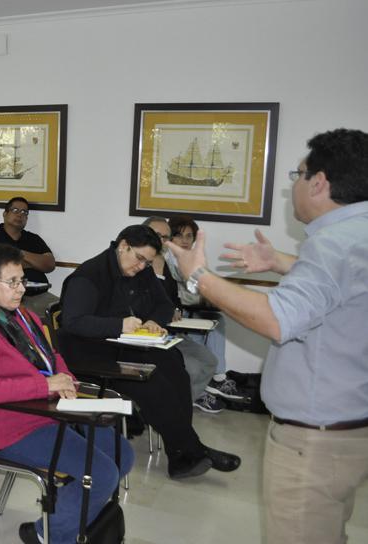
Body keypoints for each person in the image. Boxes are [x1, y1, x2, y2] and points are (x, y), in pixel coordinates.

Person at [166, 128, 368, 544]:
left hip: (312, 442)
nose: (293, 183)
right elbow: (344, 288)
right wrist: (281, 262)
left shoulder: (331, 244)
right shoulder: (357, 235)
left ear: (319, 181)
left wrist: (199, 277)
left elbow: (277, 319)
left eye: (298, 173)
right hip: (349, 427)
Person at [0, 244, 133, 544]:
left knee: (122, 454)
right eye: (12, 282)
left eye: (22, 280)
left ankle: (61, 515)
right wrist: (46, 386)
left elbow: (52, 356)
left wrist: (67, 381)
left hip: (47, 411)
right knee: (103, 475)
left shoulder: (25, 317)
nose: (21, 289)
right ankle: (48, 534)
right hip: (10, 426)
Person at [58, 224, 240, 479]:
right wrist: (119, 324)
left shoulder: (139, 269)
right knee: (153, 383)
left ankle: (181, 454)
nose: (142, 267)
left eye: (147, 262)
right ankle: (191, 451)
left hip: (119, 346)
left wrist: (154, 321)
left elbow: (164, 304)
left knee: (174, 365)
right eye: (139, 259)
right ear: (123, 246)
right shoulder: (89, 275)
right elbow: (73, 322)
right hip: (88, 357)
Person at [140, 217, 225, 413]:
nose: (161, 241)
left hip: (168, 331)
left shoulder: (164, 263)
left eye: (165, 237)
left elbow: (172, 297)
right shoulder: (138, 265)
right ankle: (171, 412)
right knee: (193, 368)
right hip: (146, 335)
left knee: (209, 360)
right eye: (157, 236)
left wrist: (175, 309)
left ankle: (182, 406)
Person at [164, 215, 242, 403]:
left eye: (189, 236)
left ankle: (216, 378)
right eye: (179, 236)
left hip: (189, 308)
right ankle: (212, 380)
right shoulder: (165, 260)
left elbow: (202, 287)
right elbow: (179, 293)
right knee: (206, 324)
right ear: (169, 238)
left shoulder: (192, 259)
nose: (184, 241)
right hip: (174, 313)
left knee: (215, 319)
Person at [0, 196, 58, 316]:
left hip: (39, 294)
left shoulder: (33, 239)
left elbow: (49, 265)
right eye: (15, 210)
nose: (20, 215)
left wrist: (20, 253)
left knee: (60, 309)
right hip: (6, 296)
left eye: (24, 212)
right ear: (5, 214)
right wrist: (32, 263)